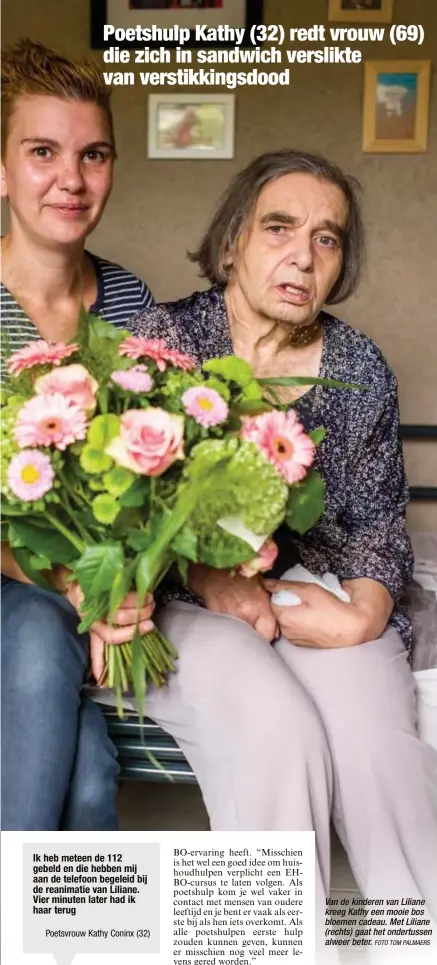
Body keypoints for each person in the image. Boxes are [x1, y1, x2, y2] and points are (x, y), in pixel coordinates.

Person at [119, 150, 437, 935]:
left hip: (314, 589)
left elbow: (373, 522)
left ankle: (418, 940)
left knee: (373, 740)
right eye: (280, 227)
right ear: (231, 243)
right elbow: (122, 512)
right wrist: (212, 575)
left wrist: (364, 611)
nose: (303, 254)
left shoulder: (357, 364)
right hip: (181, 600)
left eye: (327, 238)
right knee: (275, 726)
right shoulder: (165, 342)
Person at [0, 39, 155, 830]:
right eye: (42, 151)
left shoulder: (131, 300)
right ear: (0, 169)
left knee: (92, 781)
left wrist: (122, 587)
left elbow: (148, 474)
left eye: (93, 154)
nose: (71, 177)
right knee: (31, 628)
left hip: (81, 594)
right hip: (20, 590)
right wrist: (73, 588)